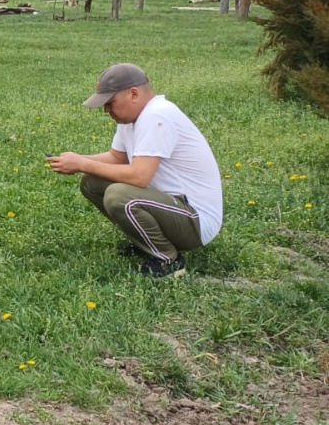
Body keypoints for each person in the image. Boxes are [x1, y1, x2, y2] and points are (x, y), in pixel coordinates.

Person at [48, 63, 222, 278]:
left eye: (110, 103)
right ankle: (146, 243)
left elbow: (139, 177)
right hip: (173, 206)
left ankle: (168, 259)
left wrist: (82, 163)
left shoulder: (157, 115)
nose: (106, 110)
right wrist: (76, 160)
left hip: (196, 220)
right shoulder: (133, 118)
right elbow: (117, 158)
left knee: (118, 195)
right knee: (92, 182)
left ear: (133, 94)